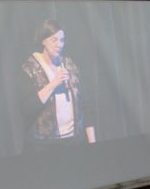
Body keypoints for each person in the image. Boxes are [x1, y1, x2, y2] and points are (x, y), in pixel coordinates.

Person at [20, 19, 95, 151]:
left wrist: (93, 144)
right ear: (43, 41)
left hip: (75, 141)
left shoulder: (69, 64)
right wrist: (53, 83)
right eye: (54, 40)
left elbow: (85, 104)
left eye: (62, 40)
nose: (59, 45)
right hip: (45, 146)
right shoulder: (30, 68)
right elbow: (27, 108)